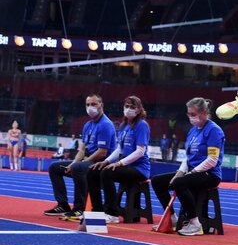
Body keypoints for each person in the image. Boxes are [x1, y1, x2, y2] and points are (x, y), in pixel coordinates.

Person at [151, 97, 225, 236]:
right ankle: (172, 219)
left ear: (204, 113)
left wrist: (192, 173)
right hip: (192, 172)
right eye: (188, 114)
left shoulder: (214, 130)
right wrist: (180, 172)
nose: (190, 117)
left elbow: (212, 160)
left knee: (180, 183)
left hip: (210, 174)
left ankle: (195, 224)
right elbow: (188, 156)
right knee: (157, 181)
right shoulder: (193, 130)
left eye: (193, 114)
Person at [43, 94, 116, 219]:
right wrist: (73, 163)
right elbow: (82, 149)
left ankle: (79, 208)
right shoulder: (88, 125)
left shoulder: (105, 124)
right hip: (86, 161)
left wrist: (81, 163)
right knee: (54, 168)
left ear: (101, 105)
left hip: (102, 163)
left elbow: (102, 152)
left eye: (93, 104)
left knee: (78, 168)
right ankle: (63, 204)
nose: (90, 107)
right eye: (87, 104)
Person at [88, 96, 151, 224]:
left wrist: (119, 163)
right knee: (93, 171)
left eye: (132, 107)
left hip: (139, 169)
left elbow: (140, 151)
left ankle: (112, 213)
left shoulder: (142, 125)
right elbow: (119, 149)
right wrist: (106, 162)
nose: (128, 109)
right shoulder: (124, 125)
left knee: (107, 173)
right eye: (126, 106)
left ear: (139, 110)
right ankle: (98, 210)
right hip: (126, 166)